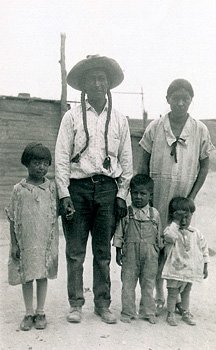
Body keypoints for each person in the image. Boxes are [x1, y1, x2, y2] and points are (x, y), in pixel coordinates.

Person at [55, 54, 133, 324]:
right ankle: (76, 303)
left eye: (102, 79)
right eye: (92, 79)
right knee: (75, 250)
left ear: (109, 84)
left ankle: (103, 304)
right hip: (77, 189)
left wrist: (122, 194)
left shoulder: (120, 120)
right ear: (84, 85)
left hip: (107, 190)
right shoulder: (71, 117)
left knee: (103, 251)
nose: (98, 84)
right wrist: (64, 193)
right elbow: (62, 156)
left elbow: (126, 161)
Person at [139, 79, 214, 314]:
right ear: (167, 99)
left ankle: (179, 296)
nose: (180, 103)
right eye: (175, 98)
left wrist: (191, 197)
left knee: (180, 245)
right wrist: (146, 196)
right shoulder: (155, 127)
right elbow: (143, 162)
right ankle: (157, 292)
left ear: (191, 100)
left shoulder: (199, 130)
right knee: (158, 244)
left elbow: (204, 166)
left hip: (182, 199)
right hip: (159, 195)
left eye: (185, 99)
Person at [5, 143, 59, 331]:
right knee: (27, 276)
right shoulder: (18, 190)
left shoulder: (51, 189)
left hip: (44, 241)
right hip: (25, 241)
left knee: (42, 274)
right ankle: (28, 312)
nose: (41, 167)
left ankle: (40, 311)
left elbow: (55, 214)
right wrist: (14, 244)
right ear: (27, 164)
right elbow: (12, 217)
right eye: (36, 162)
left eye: (45, 163)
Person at [113, 174, 163, 324]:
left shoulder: (154, 214)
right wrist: (118, 252)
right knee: (128, 283)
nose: (139, 197)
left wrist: (159, 253)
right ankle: (127, 312)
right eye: (135, 193)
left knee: (148, 283)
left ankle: (148, 311)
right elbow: (119, 234)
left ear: (150, 195)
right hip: (130, 254)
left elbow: (159, 237)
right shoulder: (126, 213)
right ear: (130, 193)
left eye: (143, 193)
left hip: (150, 256)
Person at [162, 197, 209, 326]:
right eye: (180, 218)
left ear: (192, 216)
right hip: (174, 268)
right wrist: (175, 222)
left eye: (186, 217)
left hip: (189, 269)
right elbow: (169, 237)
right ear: (173, 216)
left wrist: (205, 266)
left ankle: (185, 311)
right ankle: (170, 313)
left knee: (186, 291)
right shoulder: (170, 230)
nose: (184, 221)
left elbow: (204, 250)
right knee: (172, 292)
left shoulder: (196, 233)